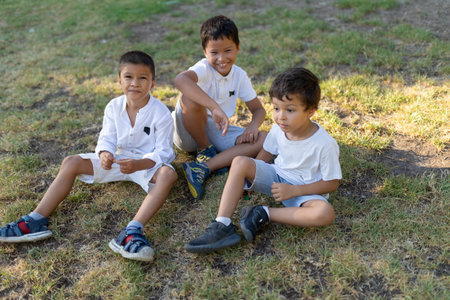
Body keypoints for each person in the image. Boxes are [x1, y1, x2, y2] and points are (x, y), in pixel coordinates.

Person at [0, 51, 178, 262]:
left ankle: (132, 230)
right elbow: (107, 137)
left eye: (142, 78)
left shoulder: (161, 112)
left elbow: (163, 151)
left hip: (145, 165)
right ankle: (35, 220)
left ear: (153, 83)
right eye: (128, 77)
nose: (135, 83)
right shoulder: (113, 107)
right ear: (119, 80)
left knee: (168, 175)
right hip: (117, 160)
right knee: (71, 162)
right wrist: (104, 154)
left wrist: (140, 163)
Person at [185, 67, 342, 253]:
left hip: (303, 192)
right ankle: (222, 224)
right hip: (276, 178)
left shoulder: (324, 144)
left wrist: (294, 190)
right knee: (241, 162)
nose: (280, 116)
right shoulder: (279, 129)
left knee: (325, 213)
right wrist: (250, 178)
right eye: (276, 108)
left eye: (290, 110)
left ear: (311, 111)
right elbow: (266, 153)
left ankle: (263, 213)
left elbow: (331, 183)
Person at [173, 15, 267, 200]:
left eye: (228, 50)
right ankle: (204, 149)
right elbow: (179, 79)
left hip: (216, 130)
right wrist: (214, 107)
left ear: (238, 48)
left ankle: (203, 167)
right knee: (190, 98)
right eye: (214, 52)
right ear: (205, 52)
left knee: (264, 138)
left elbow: (259, 110)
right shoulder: (203, 69)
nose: (221, 58)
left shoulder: (239, 75)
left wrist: (252, 127)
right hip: (188, 132)